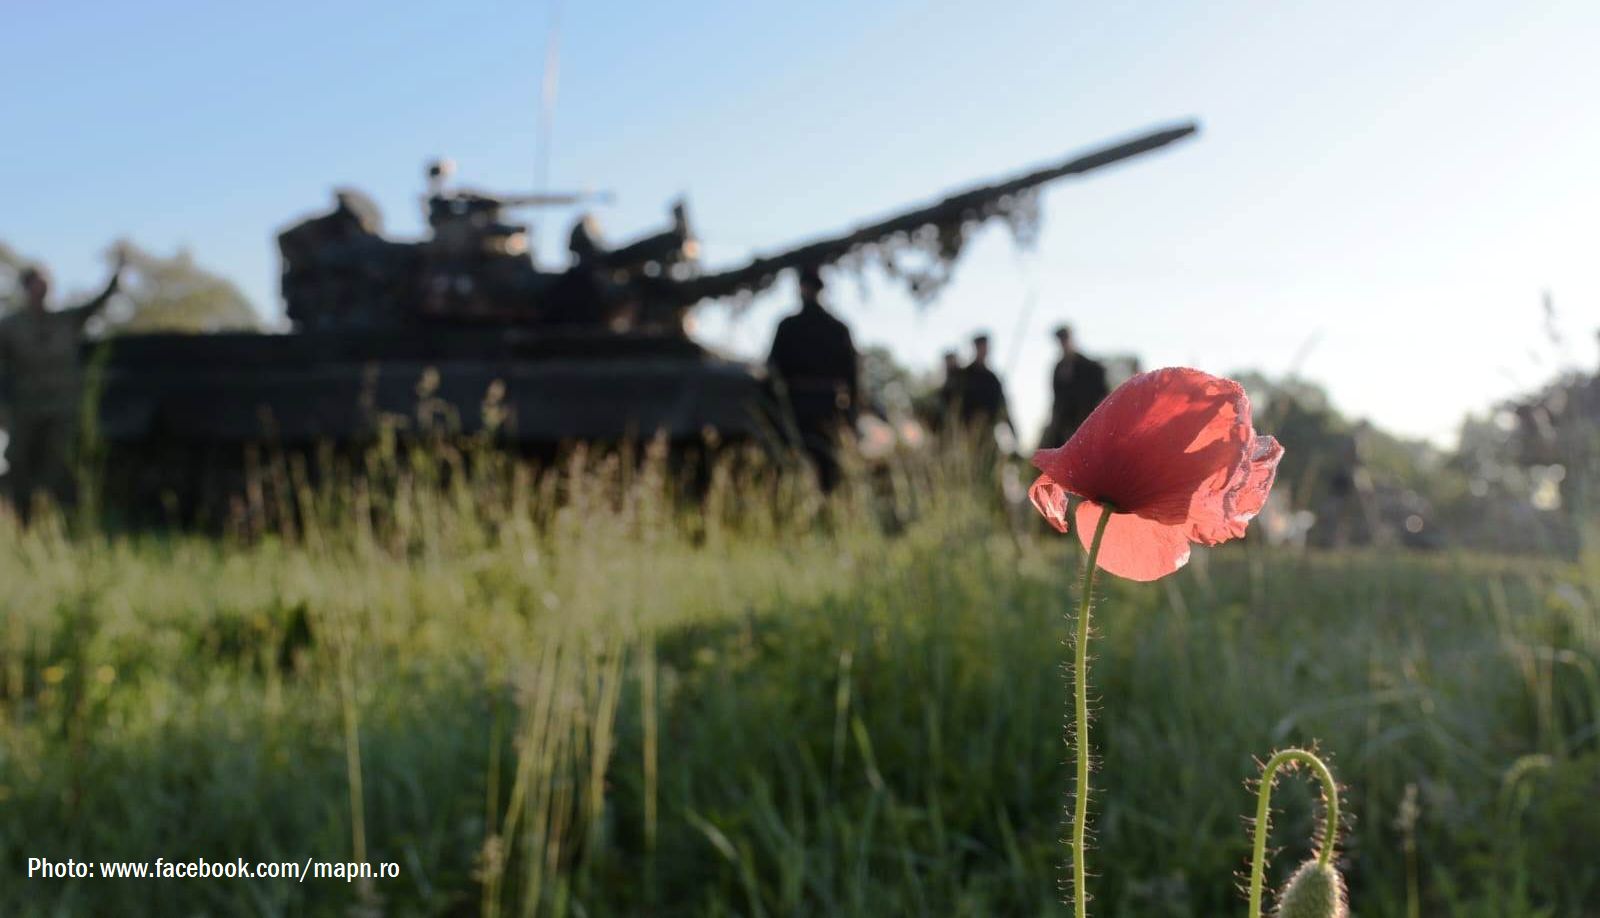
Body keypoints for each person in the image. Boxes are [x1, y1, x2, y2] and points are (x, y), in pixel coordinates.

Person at [0, 255, 124, 513]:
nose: (43, 288)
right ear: (26, 288)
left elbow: (97, 303)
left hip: (62, 409)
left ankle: (62, 517)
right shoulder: (10, 327)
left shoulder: (66, 321)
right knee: (19, 463)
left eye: (46, 283)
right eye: (38, 284)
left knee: (60, 465)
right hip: (25, 410)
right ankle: (20, 517)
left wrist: (117, 274)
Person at [767, 264, 859, 490]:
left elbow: (772, 369)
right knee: (825, 463)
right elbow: (852, 377)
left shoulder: (789, 326)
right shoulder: (837, 328)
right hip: (824, 405)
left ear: (801, 289)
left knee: (798, 461)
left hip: (800, 405)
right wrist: (851, 412)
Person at [1041, 324, 1109, 447]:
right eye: (1061, 340)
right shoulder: (1058, 368)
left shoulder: (1089, 366)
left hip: (1085, 421)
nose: (1063, 343)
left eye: (1065, 339)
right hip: (1064, 424)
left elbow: (1101, 393)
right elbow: (1056, 399)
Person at [959, 332, 1010, 435]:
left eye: (985, 347)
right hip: (966, 430)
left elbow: (1002, 406)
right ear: (976, 348)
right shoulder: (964, 375)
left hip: (987, 430)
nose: (984, 350)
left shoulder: (992, 379)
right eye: (981, 346)